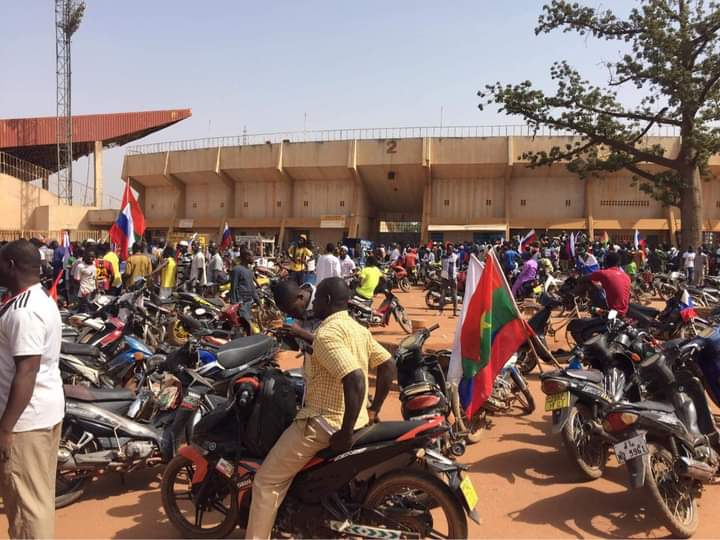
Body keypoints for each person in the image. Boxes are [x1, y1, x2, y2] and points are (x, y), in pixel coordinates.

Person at [245, 278, 396, 539]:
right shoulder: (356, 328)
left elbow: (355, 379)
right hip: (355, 418)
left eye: (317, 298)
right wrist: (374, 410)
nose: (312, 301)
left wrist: (345, 431)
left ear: (326, 300)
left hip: (323, 423)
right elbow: (388, 365)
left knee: (267, 481)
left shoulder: (327, 333)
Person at [0, 240, 64, 539]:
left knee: (27, 509)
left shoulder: (23, 312)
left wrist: (5, 428)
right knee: (37, 499)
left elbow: (27, 371)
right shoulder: (39, 299)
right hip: (42, 413)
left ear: (10, 266)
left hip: (25, 423)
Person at [74, 249, 97, 313]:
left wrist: (96, 288)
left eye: (92, 257)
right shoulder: (80, 266)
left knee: (91, 309)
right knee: (84, 309)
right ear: (85, 256)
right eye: (89, 256)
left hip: (92, 289)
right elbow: (77, 279)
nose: (90, 258)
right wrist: (82, 290)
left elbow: (95, 277)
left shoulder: (94, 264)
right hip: (84, 291)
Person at [440, 243, 459, 316]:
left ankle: (455, 312)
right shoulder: (443, 257)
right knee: (442, 294)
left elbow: (457, 266)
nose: (449, 250)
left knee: (454, 295)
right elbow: (442, 266)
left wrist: (455, 274)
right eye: (448, 249)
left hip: (453, 278)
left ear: (453, 249)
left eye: (451, 249)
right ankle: (441, 310)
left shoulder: (455, 257)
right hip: (444, 277)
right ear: (446, 249)